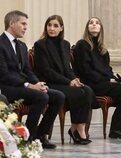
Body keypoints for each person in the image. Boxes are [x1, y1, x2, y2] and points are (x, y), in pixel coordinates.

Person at [0, 10, 65, 149]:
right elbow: (4, 74)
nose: (25, 27)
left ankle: (41, 135)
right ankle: (27, 138)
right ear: (12, 23)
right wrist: (28, 85)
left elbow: (28, 71)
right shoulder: (0, 44)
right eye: (23, 24)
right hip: (7, 88)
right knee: (41, 97)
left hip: (23, 87)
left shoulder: (22, 46)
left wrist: (37, 83)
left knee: (58, 96)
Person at [33, 15, 99, 145]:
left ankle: (75, 128)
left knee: (86, 89)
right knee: (79, 92)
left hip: (63, 82)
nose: (52, 28)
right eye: (49, 25)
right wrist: (68, 82)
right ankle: (80, 130)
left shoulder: (65, 44)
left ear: (61, 28)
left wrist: (74, 79)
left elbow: (67, 68)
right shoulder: (40, 45)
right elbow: (46, 71)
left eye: (55, 26)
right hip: (49, 82)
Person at [73, 17, 121, 139]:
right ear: (87, 28)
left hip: (103, 83)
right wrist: (106, 80)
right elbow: (85, 70)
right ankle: (116, 129)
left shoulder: (102, 49)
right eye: (91, 23)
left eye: (97, 23)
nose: (94, 25)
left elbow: (108, 69)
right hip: (91, 83)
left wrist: (114, 78)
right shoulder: (82, 45)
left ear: (101, 28)